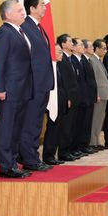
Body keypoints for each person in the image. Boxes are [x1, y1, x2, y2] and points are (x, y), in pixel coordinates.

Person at [0, 0, 33, 178]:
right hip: (9, 91)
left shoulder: (19, 32)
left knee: (16, 129)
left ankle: (13, 163)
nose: (23, 13)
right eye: (19, 10)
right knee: (7, 129)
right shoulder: (4, 33)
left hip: (21, 90)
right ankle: (6, 166)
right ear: (8, 14)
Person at [19, 0, 54, 172]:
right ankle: (30, 160)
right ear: (32, 8)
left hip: (43, 85)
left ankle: (34, 157)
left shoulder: (39, 28)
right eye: (42, 4)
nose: (45, 7)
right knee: (30, 123)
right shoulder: (25, 27)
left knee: (37, 124)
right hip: (32, 86)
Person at [56, 34, 80, 162]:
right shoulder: (62, 59)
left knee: (70, 126)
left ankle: (68, 150)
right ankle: (63, 152)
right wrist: (68, 98)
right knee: (65, 127)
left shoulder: (68, 58)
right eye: (70, 41)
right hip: (67, 97)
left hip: (73, 96)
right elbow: (64, 81)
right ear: (63, 44)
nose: (72, 43)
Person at [41, 44, 67, 165]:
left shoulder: (58, 66)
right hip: (51, 102)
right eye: (59, 52)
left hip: (60, 101)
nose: (61, 54)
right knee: (52, 129)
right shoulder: (49, 67)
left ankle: (52, 154)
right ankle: (48, 155)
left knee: (57, 129)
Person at [89, 39, 108, 150]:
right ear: (96, 49)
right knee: (95, 119)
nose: (105, 51)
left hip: (104, 94)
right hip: (99, 94)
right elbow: (94, 80)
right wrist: (96, 94)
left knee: (100, 119)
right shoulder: (92, 60)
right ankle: (92, 142)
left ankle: (97, 140)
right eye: (103, 48)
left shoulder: (99, 60)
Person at [81, 39, 98, 154]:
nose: (93, 48)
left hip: (90, 97)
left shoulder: (87, 60)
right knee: (83, 123)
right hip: (84, 98)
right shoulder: (81, 61)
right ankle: (81, 146)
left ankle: (85, 145)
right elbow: (83, 82)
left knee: (87, 123)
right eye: (90, 46)